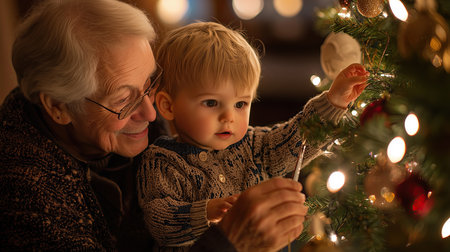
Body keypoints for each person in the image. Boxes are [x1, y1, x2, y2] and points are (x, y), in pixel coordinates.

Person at [0, 0, 310, 251]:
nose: (152, 114)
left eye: (150, 84)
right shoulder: (23, 191)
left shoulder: (139, 128)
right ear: (58, 106)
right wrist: (229, 242)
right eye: (124, 99)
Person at [137, 22, 369, 251]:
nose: (228, 116)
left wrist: (333, 102)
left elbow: (299, 137)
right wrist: (206, 211)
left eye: (240, 104)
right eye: (211, 103)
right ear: (168, 106)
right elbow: (159, 222)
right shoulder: (162, 162)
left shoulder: (254, 145)